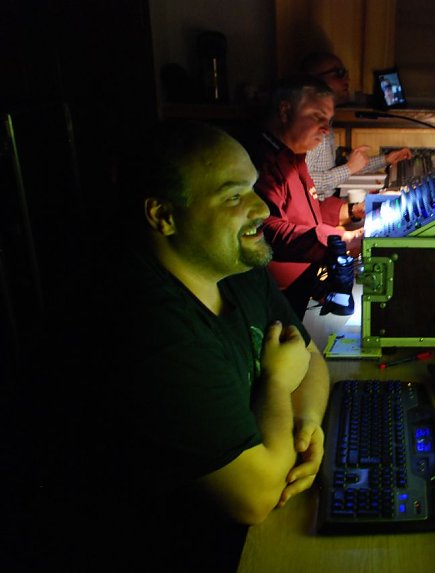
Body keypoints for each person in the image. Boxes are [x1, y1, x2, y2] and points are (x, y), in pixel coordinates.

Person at [52, 120, 331, 573]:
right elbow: (255, 497)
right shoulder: (145, 327)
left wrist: (306, 424)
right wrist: (279, 383)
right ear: (162, 215)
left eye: (254, 188)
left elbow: (309, 355)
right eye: (233, 195)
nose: (261, 208)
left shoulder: (238, 267)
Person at [243, 74, 363, 320]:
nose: (326, 129)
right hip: (277, 299)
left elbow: (309, 207)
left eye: (328, 120)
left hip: (307, 282)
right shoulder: (260, 162)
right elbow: (267, 230)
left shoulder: (293, 157)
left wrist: (353, 211)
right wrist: (339, 239)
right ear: (285, 111)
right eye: (318, 117)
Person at [300, 51, 412, 200]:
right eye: (338, 73)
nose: (347, 79)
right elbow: (304, 183)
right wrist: (348, 168)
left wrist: (386, 160)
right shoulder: (309, 127)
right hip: (317, 209)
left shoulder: (327, 121)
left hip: (328, 203)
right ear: (314, 81)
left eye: (345, 73)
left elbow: (341, 169)